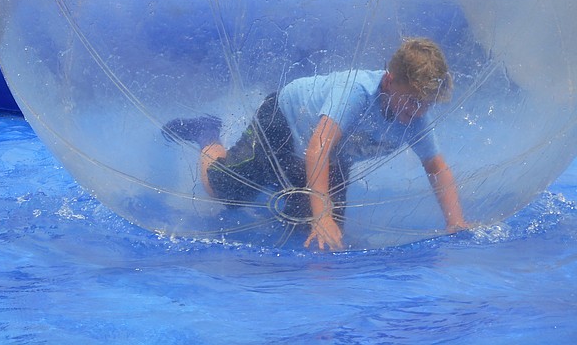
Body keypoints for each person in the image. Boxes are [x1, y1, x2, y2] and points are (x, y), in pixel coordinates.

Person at [163, 37, 469, 251]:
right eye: (413, 101)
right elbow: (318, 147)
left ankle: (284, 189)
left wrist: (455, 222)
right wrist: (321, 215)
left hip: (329, 158)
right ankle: (207, 132)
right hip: (282, 125)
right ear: (389, 81)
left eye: (426, 104)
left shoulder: (415, 117)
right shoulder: (357, 93)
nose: (417, 111)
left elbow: (436, 167)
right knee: (225, 190)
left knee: (321, 240)